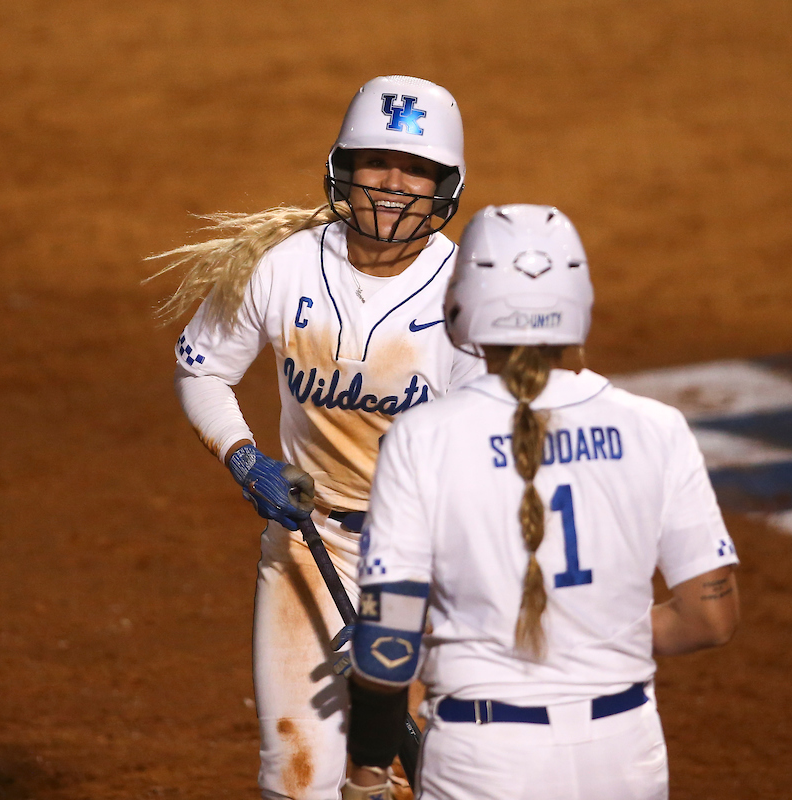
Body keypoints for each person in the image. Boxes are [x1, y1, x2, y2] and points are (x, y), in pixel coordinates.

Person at [152, 76, 483, 800]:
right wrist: (245, 460)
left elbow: (481, 453)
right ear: (343, 165)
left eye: (418, 169)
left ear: (446, 184)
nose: (394, 183)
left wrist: (400, 606)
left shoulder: (468, 293)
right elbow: (201, 369)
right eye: (376, 161)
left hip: (436, 558)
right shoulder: (283, 265)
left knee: (435, 780)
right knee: (298, 777)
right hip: (311, 545)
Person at [344, 205, 741, 800]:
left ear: (464, 302)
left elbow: (387, 642)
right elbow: (711, 617)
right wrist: (594, 636)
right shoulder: (657, 428)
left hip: (487, 760)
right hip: (626, 753)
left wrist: (369, 771)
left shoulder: (422, 437)